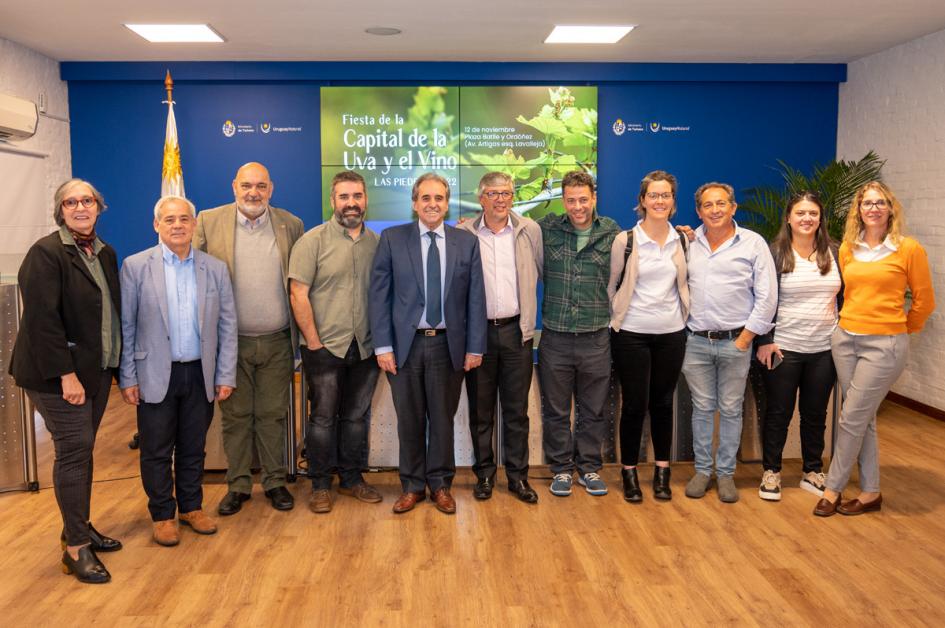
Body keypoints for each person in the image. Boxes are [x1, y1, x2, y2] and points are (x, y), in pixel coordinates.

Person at [9, 179, 122, 584]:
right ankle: (75, 548)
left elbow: (110, 314)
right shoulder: (46, 253)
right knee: (75, 450)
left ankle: (79, 525)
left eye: (87, 200)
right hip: (56, 376)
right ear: (60, 209)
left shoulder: (103, 253)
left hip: (94, 373)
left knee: (83, 450)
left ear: (98, 206)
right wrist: (66, 375)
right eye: (70, 201)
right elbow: (41, 323)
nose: (80, 207)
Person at [119, 195, 238, 546]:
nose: (177, 225)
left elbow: (227, 325)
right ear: (156, 225)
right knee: (156, 449)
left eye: (184, 219)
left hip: (199, 373)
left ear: (194, 224)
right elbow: (126, 325)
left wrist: (225, 374)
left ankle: (191, 507)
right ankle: (162, 514)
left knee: (193, 447)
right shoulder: (136, 266)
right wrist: (128, 376)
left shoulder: (214, 268)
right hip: (155, 373)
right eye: (169, 220)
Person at [814, 181, 935, 517]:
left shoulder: (908, 249)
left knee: (851, 417)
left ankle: (832, 489)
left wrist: (900, 330)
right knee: (861, 417)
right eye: (867, 203)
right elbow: (846, 294)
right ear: (859, 210)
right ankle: (870, 493)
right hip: (846, 338)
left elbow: (924, 301)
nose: (873, 208)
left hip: (884, 345)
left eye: (880, 202)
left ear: (890, 208)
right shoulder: (848, 249)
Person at [369, 173, 486, 515]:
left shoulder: (466, 243)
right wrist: (383, 346)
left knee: (442, 418)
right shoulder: (392, 239)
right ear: (414, 203)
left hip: (448, 346)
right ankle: (412, 486)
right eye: (425, 198)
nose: (432, 204)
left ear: (447, 203)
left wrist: (475, 347)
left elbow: (475, 299)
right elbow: (379, 298)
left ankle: (440, 484)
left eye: (439, 198)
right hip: (405, 348)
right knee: (409, 419)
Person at [194, 162, 304, 515]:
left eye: (260, 186)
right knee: (236, 417)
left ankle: (274, 482)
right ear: (234, 187)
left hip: (276, 340)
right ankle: (238, 484)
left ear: (271, 189)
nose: (253, 192)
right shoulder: (208, 223)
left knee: (273, 415)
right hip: (230, 343)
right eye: (246, 186)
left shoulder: (291, 224)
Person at [288, 170, 382, 514]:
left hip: (366, 347)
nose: (351, 203)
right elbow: (298, 293)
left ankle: (353, 478)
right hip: (323, 346)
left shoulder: (376, 243)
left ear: (365, 200)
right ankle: (320, 484)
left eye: (357, 196)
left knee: (356, 417)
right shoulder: (312, 241)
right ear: (333, 201)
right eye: (344, 197)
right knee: (323, 418)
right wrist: (313, 342)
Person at [683, 182, 777, 504]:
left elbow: (767, 296)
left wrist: (747, 338)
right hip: (695, 342)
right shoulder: (688, 243)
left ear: (733, 207)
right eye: (707, 205)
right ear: (699, 211)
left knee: (731, 409)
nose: (715, 210)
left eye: (721, 203)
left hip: (736, 341)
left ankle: (725, 475)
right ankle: (702, 470)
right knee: (702, 408)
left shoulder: (753, 243)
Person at [457, 171, 543, 504]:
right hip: (477, 335)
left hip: (516, 333)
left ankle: (518, 478)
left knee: (516, 411)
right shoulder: (464, 233)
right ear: (481, 199)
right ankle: (484, 477)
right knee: (480, 412)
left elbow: (542, 270)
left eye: (506, 193)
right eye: (493, 193)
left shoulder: (528, 231)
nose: (500, 199)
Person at [607, 170, 689, 502]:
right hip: (632, 334)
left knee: (662, 403)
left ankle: (662, 472)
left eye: (665, 195)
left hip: (671, 332)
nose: (659, 201)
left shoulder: (683, 239)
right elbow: (612, 285)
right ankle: (629, 472)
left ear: (673, 201)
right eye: (653, 195)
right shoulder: (626, 240)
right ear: (642, 201)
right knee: (634, 405)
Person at [537, 170, 620, 497]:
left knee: (593, 410)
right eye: (571, 200)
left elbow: (647, 242)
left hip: (596, 337)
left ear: (594, 198)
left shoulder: (612, 232)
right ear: (563, 200)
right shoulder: (546, 229)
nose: (577, 206)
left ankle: (588, 467)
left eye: (583, 199)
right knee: (555, 410)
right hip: (555, 338)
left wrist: (685, 233)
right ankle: (560, 470)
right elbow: (507, 226)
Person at [755, 192, 842, 501]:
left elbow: (843, 299)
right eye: (801, 213)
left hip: (825, 349)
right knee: (778, 413)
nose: (807, 218)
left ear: (820, 219)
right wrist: (764, 340)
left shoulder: (834, 251)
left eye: (813, 213)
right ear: (789, 218)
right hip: (782, 349)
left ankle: (812, 470)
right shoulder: (775, 252)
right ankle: (772, 472)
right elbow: (762, 298)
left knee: (816, 414)